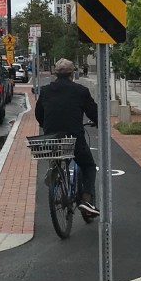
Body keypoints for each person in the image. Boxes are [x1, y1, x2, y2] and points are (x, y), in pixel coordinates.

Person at [35, 58, 101, 218]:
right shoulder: (80, 91)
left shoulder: (45, 90)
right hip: (74, 137)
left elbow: (39, 114)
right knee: (88, 166)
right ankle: (86, 200)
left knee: (58, 154)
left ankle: (55, 169)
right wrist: (98, 122)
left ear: (55, 74)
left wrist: (47, 126)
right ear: (72, 74)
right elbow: (94, 113)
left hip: (51, 137)